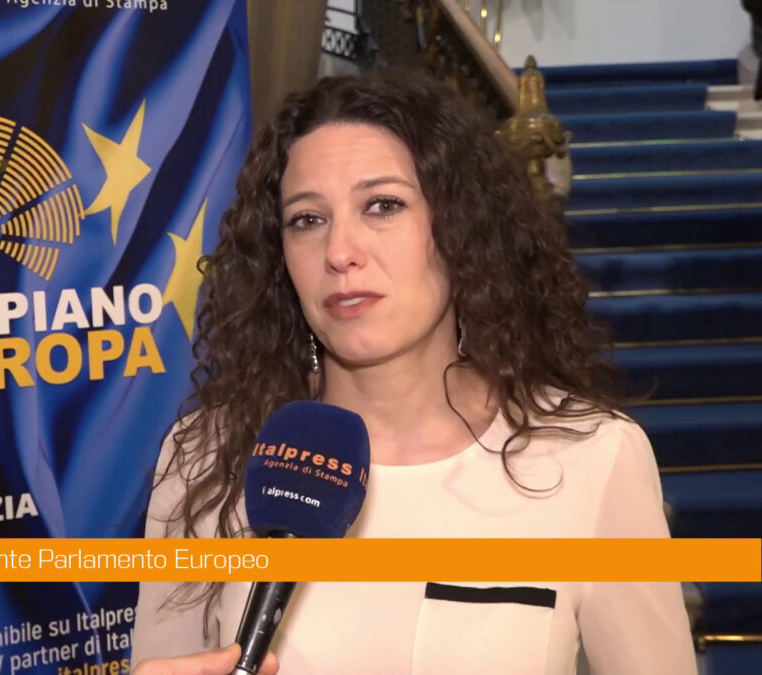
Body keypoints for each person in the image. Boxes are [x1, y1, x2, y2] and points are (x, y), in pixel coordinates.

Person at [129, 72, 697, 674]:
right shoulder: (206, 458)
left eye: (383, 206)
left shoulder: (592, 458)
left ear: (459, 228)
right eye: (307, 219)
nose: (340, 252)